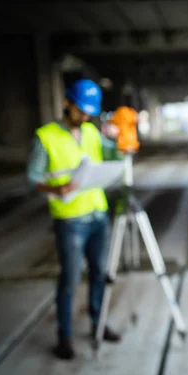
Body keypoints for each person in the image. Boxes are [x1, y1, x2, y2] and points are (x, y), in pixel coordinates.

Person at [26, 79, 122, 360]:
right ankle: (64, 337)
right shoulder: (45, 137)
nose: (85, 116)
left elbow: (113, 153)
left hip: (97, 214)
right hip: (70, 220)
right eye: (81, 110)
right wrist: (55, 188)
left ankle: (98, 323)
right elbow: (31, 179)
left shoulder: (91, 132)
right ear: (67, 103)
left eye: (89, 112)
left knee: (99, 274)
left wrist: (119, 140)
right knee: (69, 279)